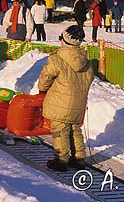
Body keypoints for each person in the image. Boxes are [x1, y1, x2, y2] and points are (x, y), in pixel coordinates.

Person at [38, 25, 94, 172]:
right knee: (75, 129)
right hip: (79, 102)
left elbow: (46, 77)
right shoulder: (86, 61)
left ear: (64, 41)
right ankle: (78, 158)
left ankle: (61, 159)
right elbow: (89, 79)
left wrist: (42, 89)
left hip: (60, 102)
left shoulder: (56, 59)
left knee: (60, 131)